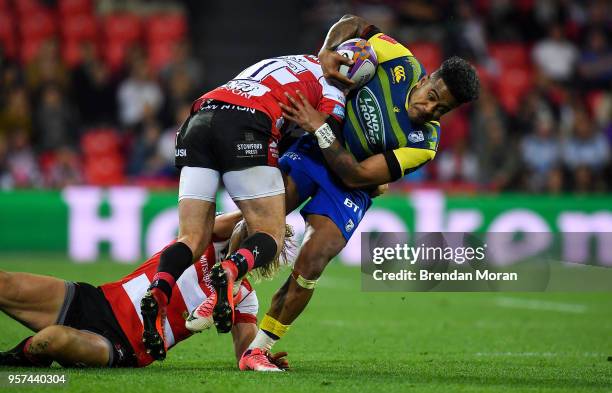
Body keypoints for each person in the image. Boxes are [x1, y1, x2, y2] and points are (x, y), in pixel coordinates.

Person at [234, 14, 479, 371]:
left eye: (441, 109)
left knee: (314, 260)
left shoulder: (425, 143)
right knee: (259, 222)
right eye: (432, 96)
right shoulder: (400, 62)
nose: (429, 109)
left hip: (348, 183)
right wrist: (326, 53)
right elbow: (354, 22)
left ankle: (259, 348)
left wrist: (318, 127)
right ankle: (223, 284)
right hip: (316, 152)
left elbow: (357, 174)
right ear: (427, 78)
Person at [141, 51, 347, 361]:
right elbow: (327, 138)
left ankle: (158, 289)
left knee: (192, 238)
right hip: (247, 123)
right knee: (271, 233)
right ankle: (230, 269)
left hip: (199, 117)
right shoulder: (334, 89)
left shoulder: (292, 59)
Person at [0, 212, 288, 369]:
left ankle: (18, 357)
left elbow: (245, 353)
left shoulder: (244, 298)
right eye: (249, 229)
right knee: (5, 283)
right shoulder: (203, 240)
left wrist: (258, 354)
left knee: (52, 339)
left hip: (123, 346)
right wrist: (266, 210)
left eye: (257, 238)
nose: (246, 237)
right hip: (98, 300)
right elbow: (231, 220)